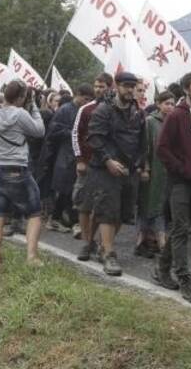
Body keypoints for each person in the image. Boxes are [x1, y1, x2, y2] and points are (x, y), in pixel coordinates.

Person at [154, 72, 191, 303]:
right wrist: (182, 169)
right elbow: (162, 148)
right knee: (180, 226)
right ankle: (185, 279)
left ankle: (162, 267)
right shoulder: (177, 116)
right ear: (187, 89)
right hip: (179, 182)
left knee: (182, 228)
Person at [86, 71, 146, 276]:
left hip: (129, 171)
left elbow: (142, 143)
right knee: (108, 211)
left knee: (123, 213)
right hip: (105, 169)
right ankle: (108, 253)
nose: (130, 90)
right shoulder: (104, 110)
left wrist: (138, 165)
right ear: (117, 87)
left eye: (133, 86)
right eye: (126, 86)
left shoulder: (138, 113)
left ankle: (96, 244)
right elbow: (94, 138)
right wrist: (108, 160)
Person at [0, 79, 46, 270]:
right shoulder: (20, 114)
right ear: (21, 98)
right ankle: (31, 256)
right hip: (18, 169)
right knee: (35, 212)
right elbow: (39, 131)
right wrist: (34, 106)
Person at [73, 73, 114, 260]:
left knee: (104, 207)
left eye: (103, 86)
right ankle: (85, 242)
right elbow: (75, 134)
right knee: (84, 205)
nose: (98, 89)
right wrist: (80, 159)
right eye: (96, 86)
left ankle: (97, 243)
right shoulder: (86, 109)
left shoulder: (114, 109)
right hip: (87, 164)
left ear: (110, 87)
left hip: (107, 165)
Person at [45, 84, 95, 233]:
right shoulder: (65, 110)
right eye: (85, 99)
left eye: (89, 100)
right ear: (77, 94)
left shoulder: (85, 111)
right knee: (63, 189)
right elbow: (53, 132)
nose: (86, 102)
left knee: (74, 190)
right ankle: (54, 219)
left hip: (78, 155)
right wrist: (73, 133)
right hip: (65, 154)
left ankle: (68, 220)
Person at [136, 90, 176, 258]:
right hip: (153, 170)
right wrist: (145, 167)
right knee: (148, 204)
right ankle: (144, 240)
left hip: (168, 172)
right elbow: (145, 146)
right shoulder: (150, 122)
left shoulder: (174, 123)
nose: (170, 107)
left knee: (162, 205)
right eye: (167, 103)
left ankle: (154, 239)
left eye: (173, 104)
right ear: (159, 104)